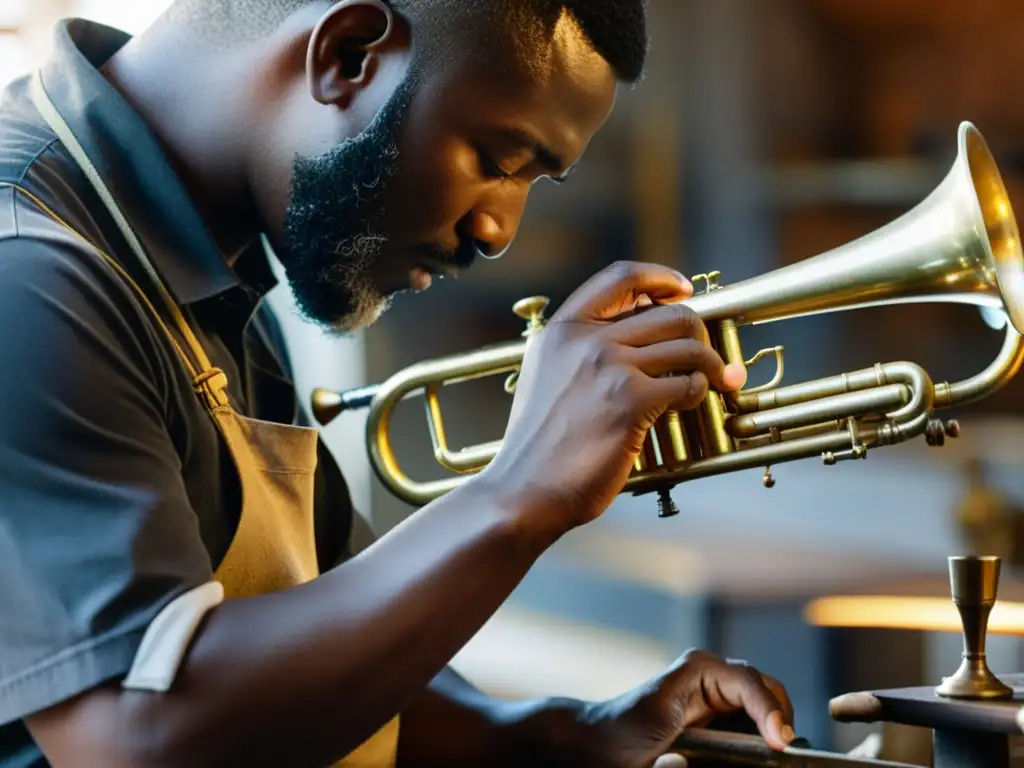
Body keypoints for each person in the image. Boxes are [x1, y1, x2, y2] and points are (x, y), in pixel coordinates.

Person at [0, 1, 797, 766]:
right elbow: (134, 739)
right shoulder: (28, 272)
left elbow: (322, 676)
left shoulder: (221, 275)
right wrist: (520, 490)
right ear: (348, 55)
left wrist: (569, 737)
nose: (499, 231)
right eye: (499, 162)